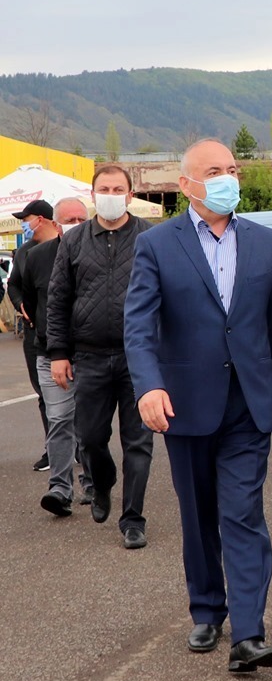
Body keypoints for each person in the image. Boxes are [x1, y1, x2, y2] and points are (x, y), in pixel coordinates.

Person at [125, 138, 272, 672]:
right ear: (186, 185)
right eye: (213, 171)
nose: (227, 178)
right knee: (199, 513)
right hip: (185, 404)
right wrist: (148, 386)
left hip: (249, 404)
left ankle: (249, 633)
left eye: (232, 169)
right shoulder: (157, 245)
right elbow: (138, 326)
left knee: (243, 514)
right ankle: (207, 608)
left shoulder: (263, 241)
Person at [46, 165, 155, 550]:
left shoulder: (149, 237)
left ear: (130, 195)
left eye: (118, 189)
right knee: (90, 438)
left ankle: (133, 519)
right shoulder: (74, 241)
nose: (111, 195)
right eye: (104, 189)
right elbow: (58, 299)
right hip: (89, 356)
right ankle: (103, 483)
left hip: (138, 357)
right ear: (93, 195)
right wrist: (58, 352)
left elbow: (167, 295)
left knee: (138, 441)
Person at [19, 198, 94, 517]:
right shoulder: (35, 257)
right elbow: (30, 298)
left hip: (92, 353)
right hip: (51, 353)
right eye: (69, 219)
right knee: (60, 419)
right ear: (55, 223)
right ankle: (60, 488)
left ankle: (93, 482)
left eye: (81, 218)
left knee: (90, 424)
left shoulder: (99, 254)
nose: (76, 224)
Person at [6, 199, 58, 471]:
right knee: (43, 393)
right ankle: (53, 447)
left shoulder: (65, 247)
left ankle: (80, 445)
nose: (24, 225)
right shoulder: (24, 252)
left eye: (26, 220)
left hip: (65, 333)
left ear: (41, 219)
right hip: (34, 334)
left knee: (77, 393)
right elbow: (13, 285)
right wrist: (20, 305)